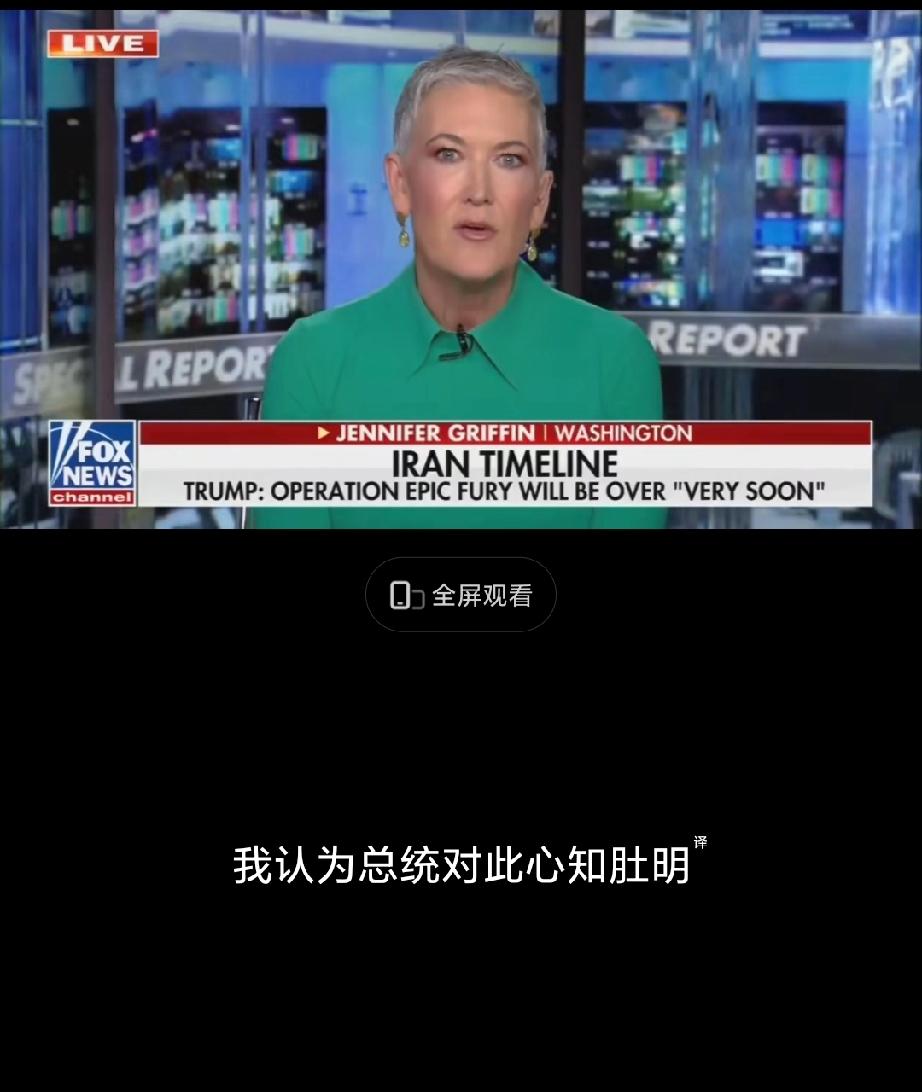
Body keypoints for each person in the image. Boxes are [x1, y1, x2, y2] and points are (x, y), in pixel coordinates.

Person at [250, 46, 665, 529]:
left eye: (509, 159)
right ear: (401, 184)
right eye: (448, 154)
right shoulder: (313, 361)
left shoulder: (614, 361)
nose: (479, 192)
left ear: (538, 199)